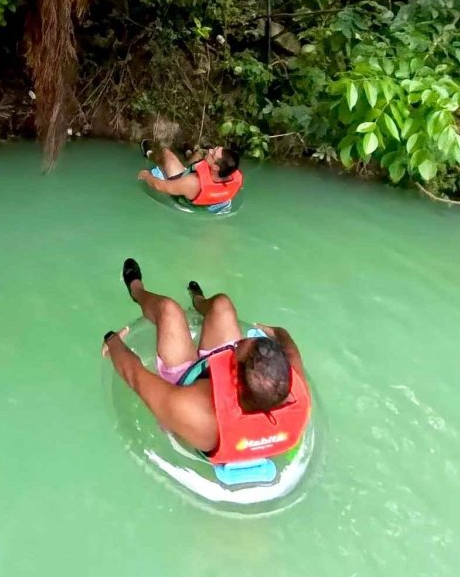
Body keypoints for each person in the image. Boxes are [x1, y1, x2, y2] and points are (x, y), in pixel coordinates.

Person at [100, 258, 310, 465]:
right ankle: (198, 301)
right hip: (236, 389)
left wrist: (112, 340)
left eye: (237, 347)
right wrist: (280, 333)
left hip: (187, 385)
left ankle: (136, 289)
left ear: (233, 377)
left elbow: (135, 376)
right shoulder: (291, 389)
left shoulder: (197, 414)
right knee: (222, 305)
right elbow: (291, 351)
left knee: (168, 309)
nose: (236, 344)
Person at [137, 140, 245, 210]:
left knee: (166, 153)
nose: (211, 150)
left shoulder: (192, 183)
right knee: (199, 156)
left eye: (213, 153)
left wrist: (145, 175)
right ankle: (189, 153)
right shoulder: (232, 175)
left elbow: (159, 186)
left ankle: (149, 154)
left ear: (216, 167)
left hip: (183, 188)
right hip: (205, 199)